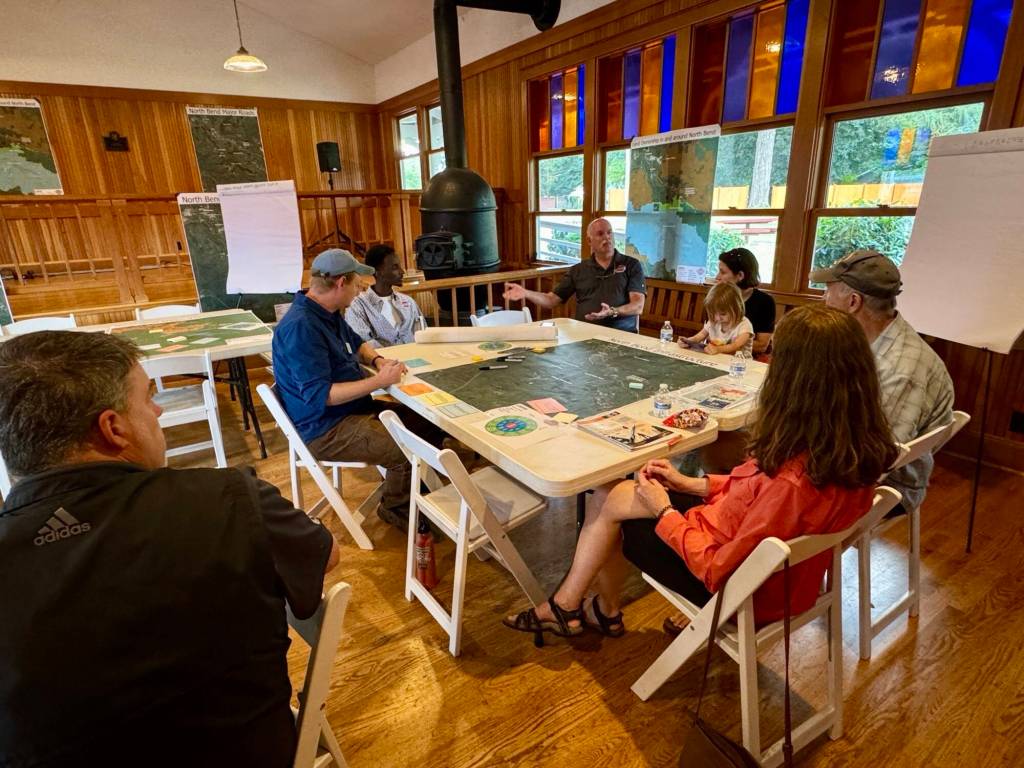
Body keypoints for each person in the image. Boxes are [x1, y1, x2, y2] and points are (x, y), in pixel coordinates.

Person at [0, 331, 339, 767]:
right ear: (113, 428)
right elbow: (325, 556)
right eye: (146, 398)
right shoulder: (231, 498)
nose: (159, 410)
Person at [503, 305, 897, 643]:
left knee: (611, 505)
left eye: (776, 358)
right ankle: (578, 608)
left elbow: (717, 569)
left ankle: (583, 609)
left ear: (795, 382)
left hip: (740, 592)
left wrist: (664, 512)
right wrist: (695, 483)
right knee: (610, 493)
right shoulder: (848, 448)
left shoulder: (791, 481)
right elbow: (758, 492)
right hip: (782, 575)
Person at [272, 248, 443, 531]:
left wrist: (377, 359)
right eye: (356, 282)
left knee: (429, 423)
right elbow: (322, 396)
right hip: (325, 428)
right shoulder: (301, 327)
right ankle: (396, 508)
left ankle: (414, 489)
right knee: (404, 448)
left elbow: (357, 341)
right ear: (341, 283)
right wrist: (379, 381)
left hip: (352, 410)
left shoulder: (326, 311)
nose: (361, 288)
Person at [812, 249, 954, 514]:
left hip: (887, 491)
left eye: (828, 291)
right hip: (852, 457)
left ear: (853, 302)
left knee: (757, 479)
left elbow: (876, 462)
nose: (823, 298)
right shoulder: (870, 341)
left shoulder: (901, 368)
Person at [502, 217, 646, 332]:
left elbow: (638, 306)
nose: (607, 238)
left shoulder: (631, 265)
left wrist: (612, 312)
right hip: (584, 333)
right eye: (600, 234)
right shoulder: (578, 270)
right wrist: (526, 293)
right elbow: (551, 300)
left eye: (609, 233)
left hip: (620, 333)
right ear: (589, 240)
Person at [345, 243, 425, 348]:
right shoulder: (358, 305)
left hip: (418, 360)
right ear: (378, 272)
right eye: (395, 267)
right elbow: (363, 344)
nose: (402, 271)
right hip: (381, 362)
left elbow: (424, 334)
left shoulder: (409, 302)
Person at [716, 247, 776, 356]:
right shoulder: (718, 298)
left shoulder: (765, 302)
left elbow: (762, 345)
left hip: (747, 361)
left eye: (722, 272)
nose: (717, 277)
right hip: (719, 355)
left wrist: (726, 346)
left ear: (740, 276)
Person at [681, 281, 753, 355]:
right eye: (713, 313)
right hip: (718, 360)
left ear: (737, 308)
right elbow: (700, 335)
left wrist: (719, 349)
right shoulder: (714, 320)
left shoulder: (744, 325)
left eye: (723, 314)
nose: (717, 318)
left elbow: (736, 346)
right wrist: (687, 341)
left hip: (741, 364)